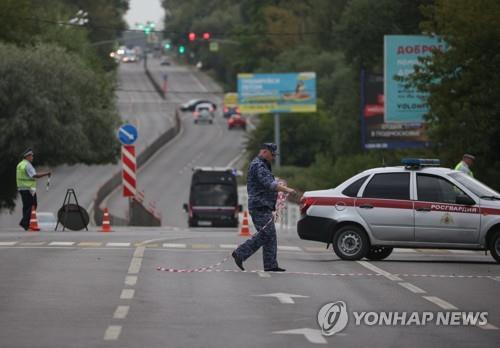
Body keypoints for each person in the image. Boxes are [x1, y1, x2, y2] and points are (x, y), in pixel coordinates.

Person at [232, 143, 297, 272]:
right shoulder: (258, 165)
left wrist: (280, 185)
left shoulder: (262, 165)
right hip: (259, 206)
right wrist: (286, 189)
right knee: (266, 234)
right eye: (272, 155)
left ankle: (270, 264)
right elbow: (270, 184)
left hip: (264, 206)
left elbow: (271, 182)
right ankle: (240, 253)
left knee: (270, 235)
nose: (273, 158)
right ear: (265, 152)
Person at [16, 148, 51, 230]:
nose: (32, 157)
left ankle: (26, 225)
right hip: (29, 189)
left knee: (26, 206)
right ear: (27, 156)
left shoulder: (20, 164)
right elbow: (35, 175)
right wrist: (46, 173)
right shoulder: (27, 165)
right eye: (31, 156)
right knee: (32, 205)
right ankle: (24, 223)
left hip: (21, 188)